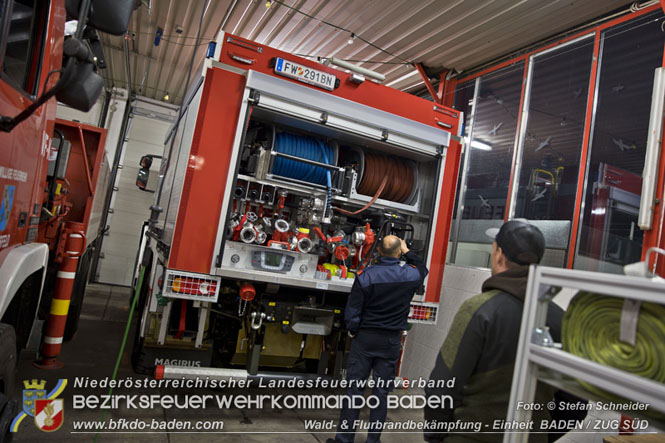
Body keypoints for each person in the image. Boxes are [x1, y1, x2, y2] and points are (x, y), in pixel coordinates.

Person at [423, 219, 585, 442]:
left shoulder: (480, 310)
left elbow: (442, 386)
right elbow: (576, 403)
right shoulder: (563, 321)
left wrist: (436, 437)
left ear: (499, 254)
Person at [328, 235, 428, 443]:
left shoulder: (366, 276)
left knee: (354, 390)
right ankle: (373, 440)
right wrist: (407, 251)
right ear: (398, 252)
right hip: (391, 341)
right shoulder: (409, 275)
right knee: (381, 393)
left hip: (365, 338)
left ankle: (344, 439)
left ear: (379, 252)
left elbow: (353, 310)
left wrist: (354, 330)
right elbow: (422, 268)